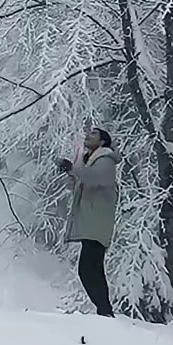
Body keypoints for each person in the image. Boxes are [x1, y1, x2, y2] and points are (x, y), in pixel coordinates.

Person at [58, 127, 118, 317]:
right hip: (92, 222)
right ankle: (105, 311)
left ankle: (105, 311)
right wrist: (72, 172)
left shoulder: (106, 160)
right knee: (93, 269)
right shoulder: (90, 161)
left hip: (97, 223)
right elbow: (75, 187)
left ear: (102, 142)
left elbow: (94, 179)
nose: (87, 136)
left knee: (87, 269)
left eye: (93, 134)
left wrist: (74, 169)